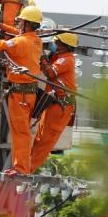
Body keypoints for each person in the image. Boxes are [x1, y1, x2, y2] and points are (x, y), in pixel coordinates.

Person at [0, 5, 43, 176]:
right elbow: (18, 33)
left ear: (27, 24)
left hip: (20, 95)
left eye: (21, 22)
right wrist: (1, 26)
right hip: (28, 94)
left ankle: (20, 169)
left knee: (20, 133)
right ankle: (20, 167)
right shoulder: (35, 40)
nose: (18, 24)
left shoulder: (20, 42)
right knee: (21, 132)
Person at [30, 32, 78, 173]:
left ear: (65, 46)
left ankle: (27, 170)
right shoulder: (58, 57)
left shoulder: (67, 59)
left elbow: (50, 72)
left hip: (61, 107)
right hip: (53, 104)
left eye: (57, 43)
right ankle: (25, 166)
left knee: (45, 141)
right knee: (39, 138)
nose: (54, 44)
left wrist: (42, 56)